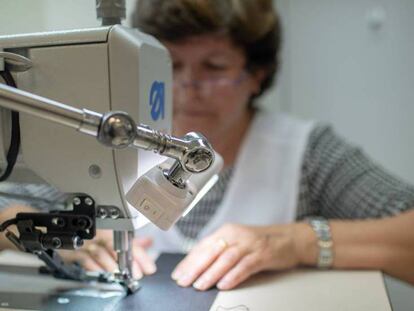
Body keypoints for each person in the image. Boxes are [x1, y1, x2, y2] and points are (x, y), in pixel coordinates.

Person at [1, 0, 414, 291]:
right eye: (170, 67)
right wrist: (64, 237)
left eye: (214, 68)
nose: (186, 88)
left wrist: (296, 242)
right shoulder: (114, 140)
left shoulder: (308, 154)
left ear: (258, 74)